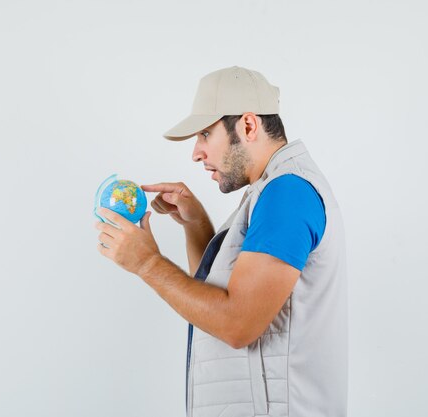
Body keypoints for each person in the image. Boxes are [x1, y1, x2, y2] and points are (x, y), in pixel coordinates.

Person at [94, 66, 347, 417]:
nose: (196, 153)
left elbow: (237, 323)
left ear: (247, 125)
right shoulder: (270, 192)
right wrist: (196, 225)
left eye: (205, 134)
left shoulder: (287, 194)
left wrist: (147, 263)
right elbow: (215, 306)